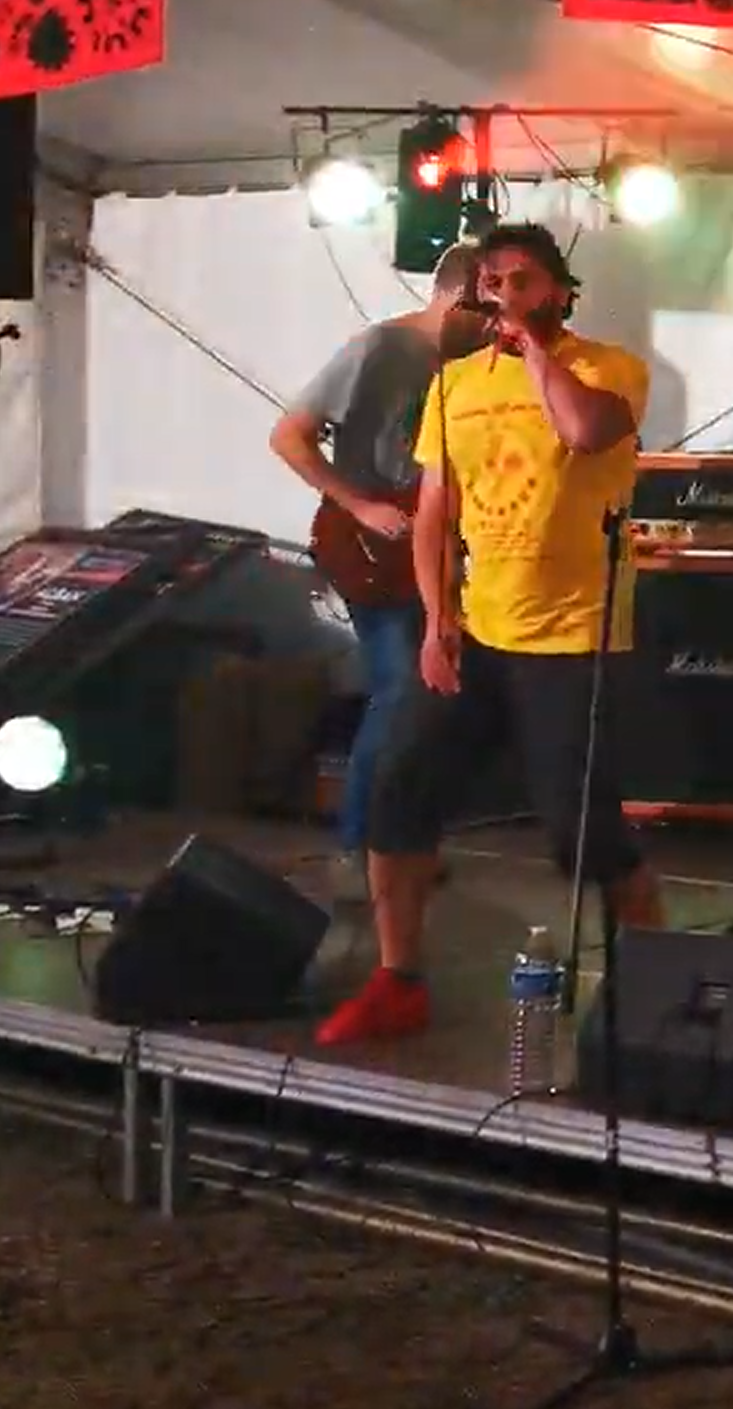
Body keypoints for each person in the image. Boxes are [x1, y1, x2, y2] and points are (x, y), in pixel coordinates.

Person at [319, 223, 665, 1048]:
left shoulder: (607, 367)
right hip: (480, 630)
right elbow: (437, 509)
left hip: (573, 638)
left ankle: (652, 993)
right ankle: (398, 979)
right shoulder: (454, 384)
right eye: (492, 280)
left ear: (560, 291)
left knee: (582, 831)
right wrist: (438, 622)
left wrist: (533, 348)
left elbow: (583, 432)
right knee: (399, 791)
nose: (503, 290)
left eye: (522, 279)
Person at [270, 241, 491, 882]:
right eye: (484, 309)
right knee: (399, 691)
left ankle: (401, 842)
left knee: (430, 700)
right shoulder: (380, 348)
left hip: (437, 544)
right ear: (454, 295)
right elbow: (289, 436)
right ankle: (362, 845)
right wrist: (361, 506)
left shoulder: (477, 363)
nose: (492, 325)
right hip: (373, 544)